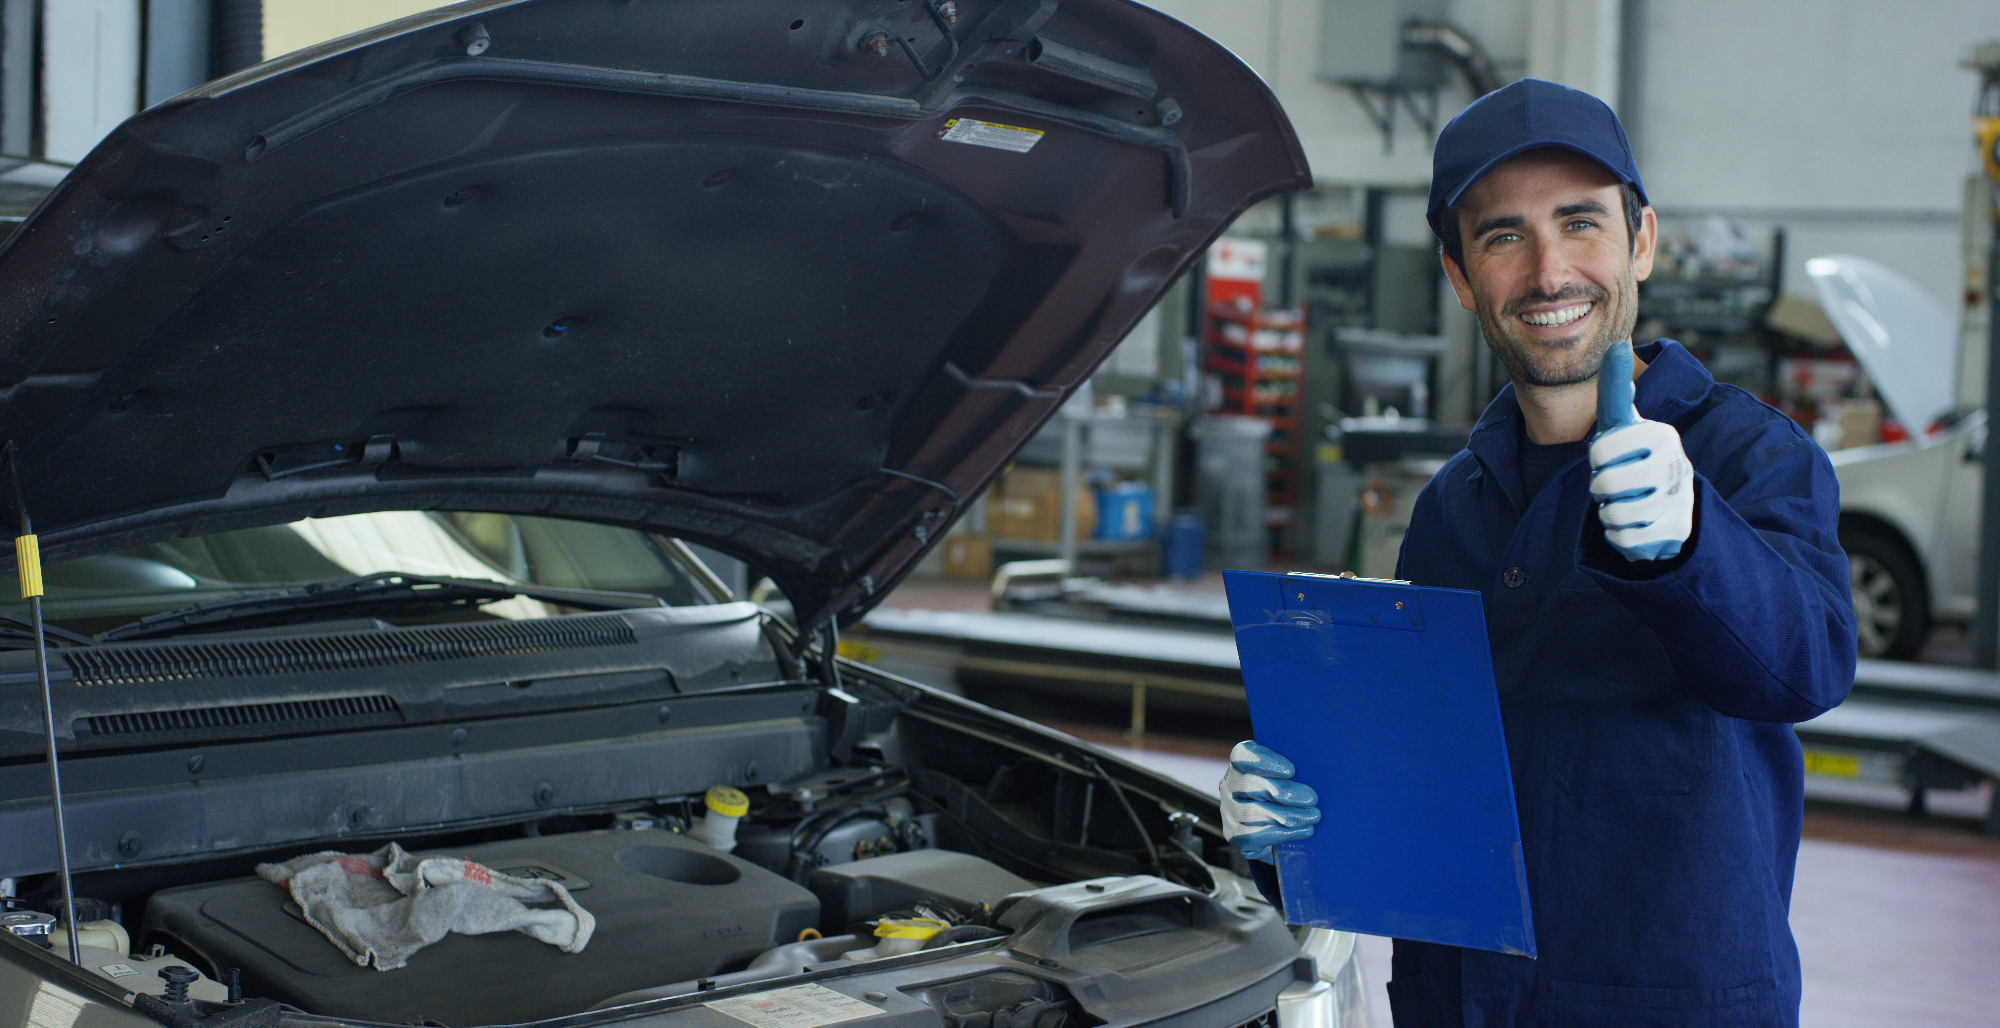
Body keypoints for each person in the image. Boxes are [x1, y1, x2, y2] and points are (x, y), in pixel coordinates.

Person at [1218, 78, 1855, 1027]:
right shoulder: (1451, 509)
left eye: (1581, 223)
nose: (1551, 271)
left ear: (1640, 240)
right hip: (1462, 1002)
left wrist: (1695, 543)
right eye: (1504, 235)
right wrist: (1287, 833)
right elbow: (1426, 780)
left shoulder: (1750, 457)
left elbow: (1808, 666)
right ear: (1461, 274)